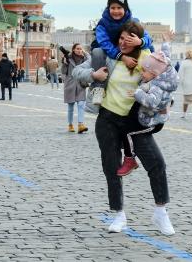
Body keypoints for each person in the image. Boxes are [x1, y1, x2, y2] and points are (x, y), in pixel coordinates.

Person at [74, 21, 174, 236]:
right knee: (112, 167)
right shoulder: (108, 56)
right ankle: (119, 215)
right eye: (120, 39)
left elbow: (167, 74)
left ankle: (161, 211)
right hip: (108, 119)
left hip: (135, 121)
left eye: (129, 39)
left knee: (156, 163)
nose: (123, 42)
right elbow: (77, 72)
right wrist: (93, 76)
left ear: (137, 40)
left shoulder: (147, 57)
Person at [117, 43, 178, 177]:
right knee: (124, 126)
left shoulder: (157, 86)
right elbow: (165, 56)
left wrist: (137, 93)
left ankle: (130, 159)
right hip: (147, 115)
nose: (142, 73)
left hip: (153, 122)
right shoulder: (161, 73)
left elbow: (151, 101)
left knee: (128, 132)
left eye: (144, 71)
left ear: (154, 73)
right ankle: (126, 146)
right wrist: (166, 42)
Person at [91, 0, 154, 71]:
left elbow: (148, 38)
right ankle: (99, 82)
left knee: (150, 48)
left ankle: (150, 74)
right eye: (113, 8)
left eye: (119, 8)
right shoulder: (103, 24)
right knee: (97, 51)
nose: (116, 11)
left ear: (125, 8)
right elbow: (105, 44)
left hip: (129, 49)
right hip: (110, 51)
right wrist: (122, 57)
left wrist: (139, 42)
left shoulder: (133, 22)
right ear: (108, 8)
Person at [62, 44, 89, 133]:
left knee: (81, 104)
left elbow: (91, 60)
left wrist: (85, 53)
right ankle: (70, 125)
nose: (79, 50)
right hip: (70, 84)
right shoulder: (68, 58)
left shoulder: (85, 59)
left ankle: (81, 124)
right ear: (73, 50)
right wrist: (64, 62)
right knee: (71, 106)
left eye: (81, 49)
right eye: (77, 49)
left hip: (81, 83)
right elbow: (63, 71)